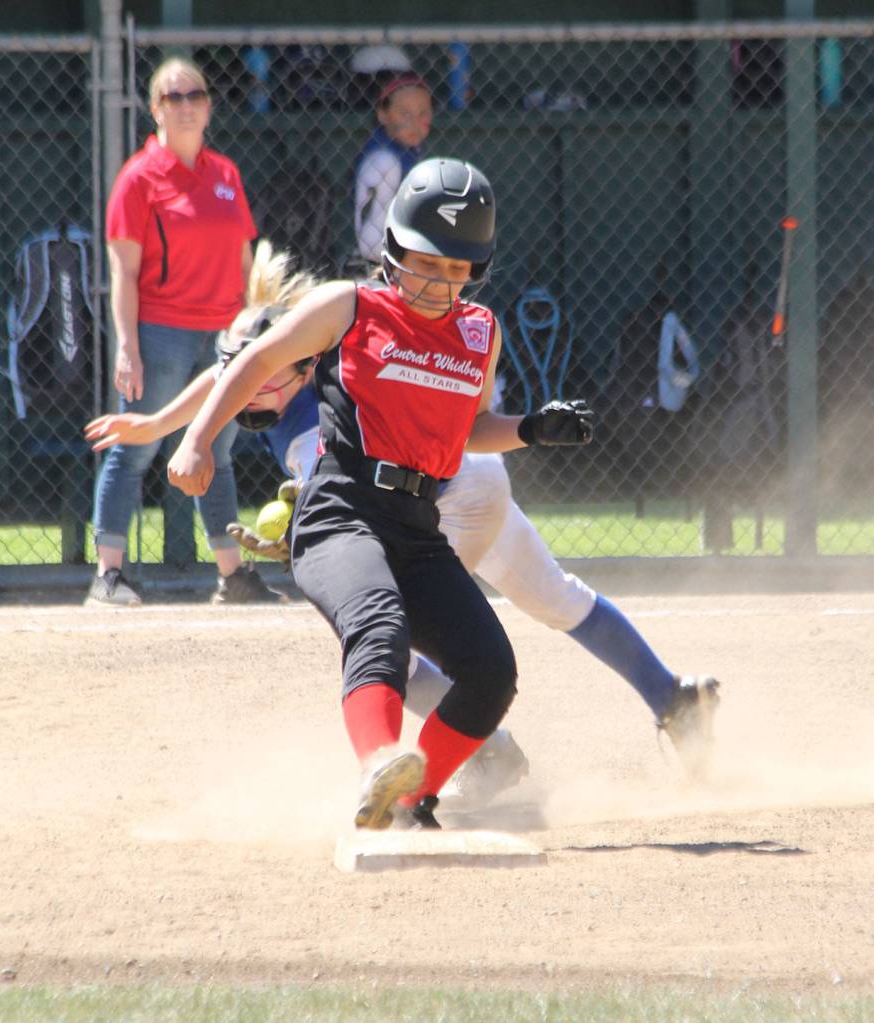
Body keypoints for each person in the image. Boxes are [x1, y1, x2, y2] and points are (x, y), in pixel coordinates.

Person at [165, 158, 595, 831]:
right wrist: (196, 439)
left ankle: (408, 800)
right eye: (426, 263)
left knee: (491, 670)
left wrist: (531, 429)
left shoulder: (479, 332)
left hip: (417, 525)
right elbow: (257, 359)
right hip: (340, 511)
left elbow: (469, 429)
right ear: (393, 249)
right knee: (380, 628)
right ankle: (378, 767)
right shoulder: (351, 306)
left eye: (457, 268)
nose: (440, 281)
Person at [88, 56, 276, 608]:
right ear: (156, 109)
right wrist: (128, 346)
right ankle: (108, 575)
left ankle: (233, 576)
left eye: (196, 95)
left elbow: (244, 260)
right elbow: (123, 271)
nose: (187, 106)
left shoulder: (225, 174)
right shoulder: (138, 178)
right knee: (135, 447)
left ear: (209, 106)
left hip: (224, 336)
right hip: (162, 333)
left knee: (214, 448)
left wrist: (251, 329)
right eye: (174, 97)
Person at [352, 73, 433, 267]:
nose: (415, 122)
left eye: (423, 113)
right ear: (382, 114)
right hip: (377, 263)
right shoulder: (382, 159)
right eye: (405, 113)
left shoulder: (410, 151)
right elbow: (370, 246)